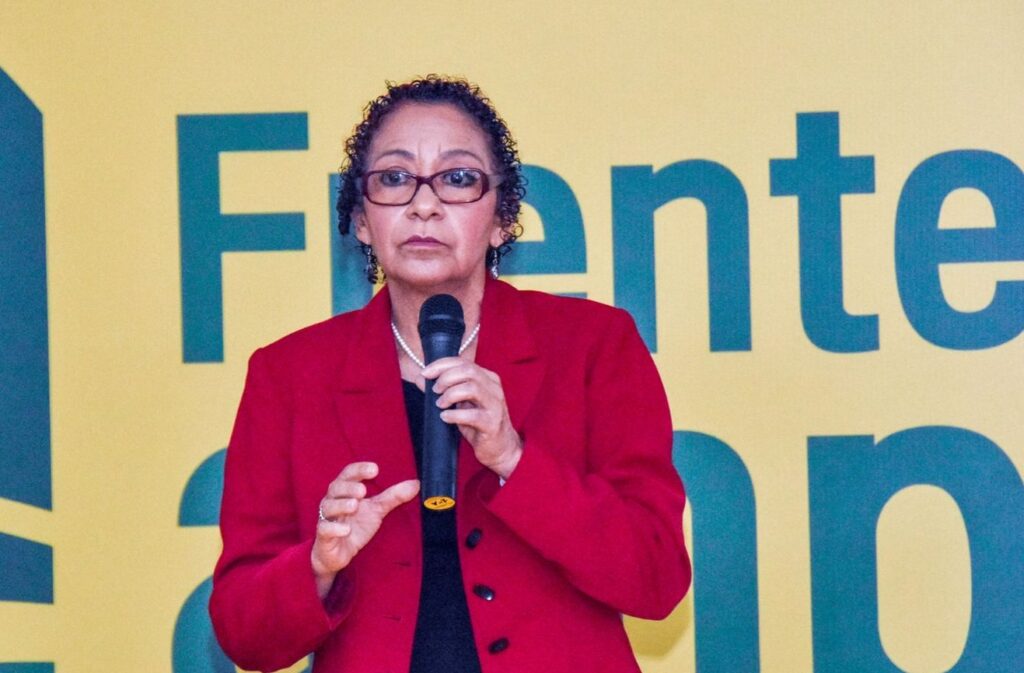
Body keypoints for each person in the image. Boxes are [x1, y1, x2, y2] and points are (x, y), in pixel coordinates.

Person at [210, 76, 691, 673]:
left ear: (502, 219)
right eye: (394, 178)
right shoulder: (288, 375)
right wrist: (317, 566)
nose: (424, 204)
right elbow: (243, 635)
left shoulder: (594, 345)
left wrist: (515, 459)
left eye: (458, 178)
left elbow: (656, 579)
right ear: (361, 220)